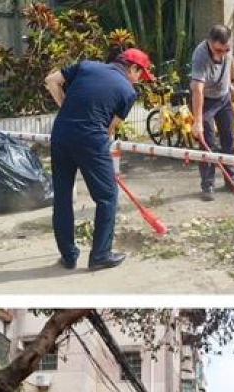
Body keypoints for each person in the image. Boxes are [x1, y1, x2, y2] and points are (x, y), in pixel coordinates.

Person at [44, 49, 154, 271]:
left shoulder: (87, 66)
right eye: (140, 75)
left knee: (63, 196)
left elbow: (51, 81)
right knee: (107, 197)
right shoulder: (127, 92)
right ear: (133, 68)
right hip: (91, 140)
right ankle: (100, 255)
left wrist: (66, 108)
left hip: (61, 134)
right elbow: (109, 128)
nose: (139, 81)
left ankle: (68, 256)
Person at [190, 25, 234, 201]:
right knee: (207, 141)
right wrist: (197, 121)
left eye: (225, 49)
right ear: (210, 42)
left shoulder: (227, 50)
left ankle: (231, 178)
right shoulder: (200, 55)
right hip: (205, 101)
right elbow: (197, 89)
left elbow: (231, 60)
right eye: (218, 50)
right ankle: (208, 183)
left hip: (224, 98)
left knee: (228, 138)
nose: (221, 54)